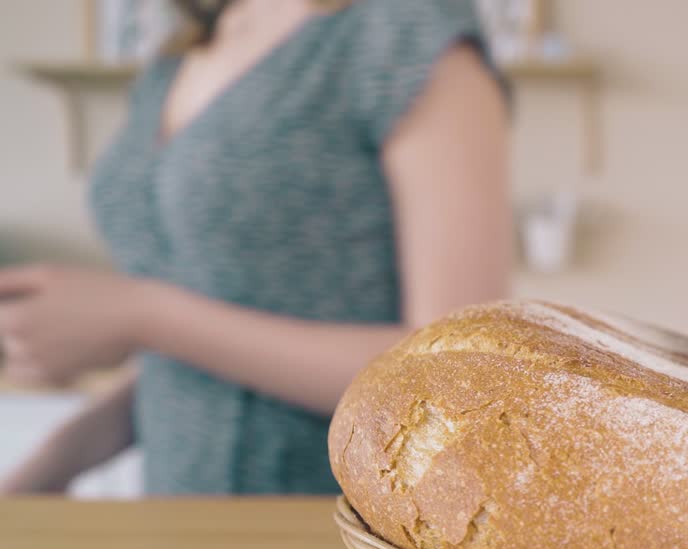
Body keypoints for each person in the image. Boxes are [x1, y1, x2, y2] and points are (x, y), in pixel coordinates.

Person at [0, 0, 511, 494]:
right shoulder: (184, 52)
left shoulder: (406, 33)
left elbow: (455, 371)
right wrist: (51, 465)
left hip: (324, 533)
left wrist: (143, 315)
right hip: (172, 519)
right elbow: (193, 356)